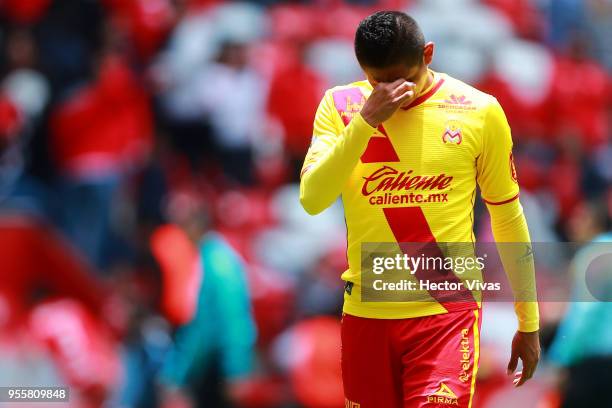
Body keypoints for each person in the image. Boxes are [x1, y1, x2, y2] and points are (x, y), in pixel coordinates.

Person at [299, 11, 540, 408]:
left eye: (405, 79)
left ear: (428, 54)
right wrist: (365, 122)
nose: (395, 92)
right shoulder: (340, 106)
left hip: (446, 313)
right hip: (367, 312)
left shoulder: (479, 111)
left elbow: (507, 215)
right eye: (381, 82)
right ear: (363, 69)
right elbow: (312, 198)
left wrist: (528, 321)